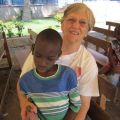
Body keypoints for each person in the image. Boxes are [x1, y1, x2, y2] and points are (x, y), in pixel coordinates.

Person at [17, 3, 99, 120]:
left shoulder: (87, 62)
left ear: (87, 31)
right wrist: (24, 103)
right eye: (71, 20)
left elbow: (84, 105)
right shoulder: (43, 49)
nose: (75, 25)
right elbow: (21, 83)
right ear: (62, 24)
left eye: (82, 22)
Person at [19, 28, 80, 120]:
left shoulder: (68, 75)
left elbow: (76, 105)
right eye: (38, 55)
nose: (42, 63)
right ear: (33, 49)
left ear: (58, 55)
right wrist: (30, 111)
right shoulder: (26, 80)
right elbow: (28, 104)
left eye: (50, 58)